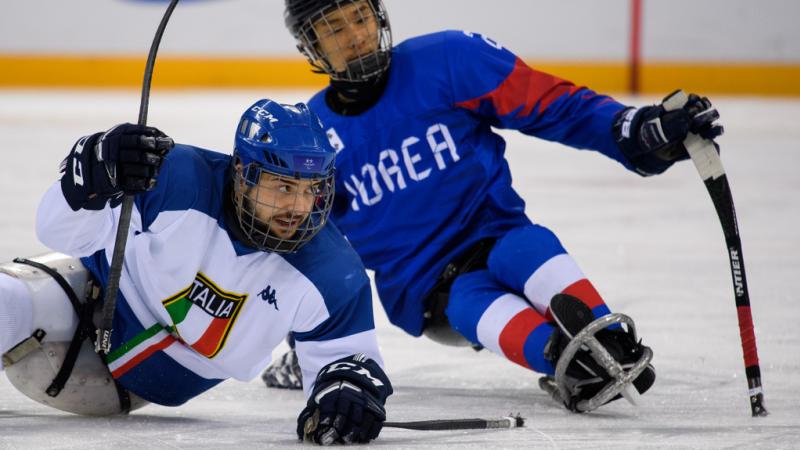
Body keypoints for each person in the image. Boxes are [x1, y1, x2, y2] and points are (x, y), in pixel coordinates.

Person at [265, 0, 725, 413]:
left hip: (496, 230)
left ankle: (607, 339)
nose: (357, 35)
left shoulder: (447, 60)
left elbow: (550, 104)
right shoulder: (310, 139)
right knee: (468, 301)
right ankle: (568, 362)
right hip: (432, 291)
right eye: (335, 28)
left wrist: (632, 130)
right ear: (312, 47)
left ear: (379, 14)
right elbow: (308, 248)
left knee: (525, 247)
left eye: (361, 17)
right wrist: (312, 343)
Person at [0, 99, 392, 445]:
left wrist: (347, 393)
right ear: (242, 171)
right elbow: (59, 231)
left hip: (133, 388)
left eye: (311, 189)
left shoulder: (334, 273)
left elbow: (347, 361)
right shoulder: (177, 177)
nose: (299, 207)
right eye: (283, 187)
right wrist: (93, 178)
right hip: (87, 299)